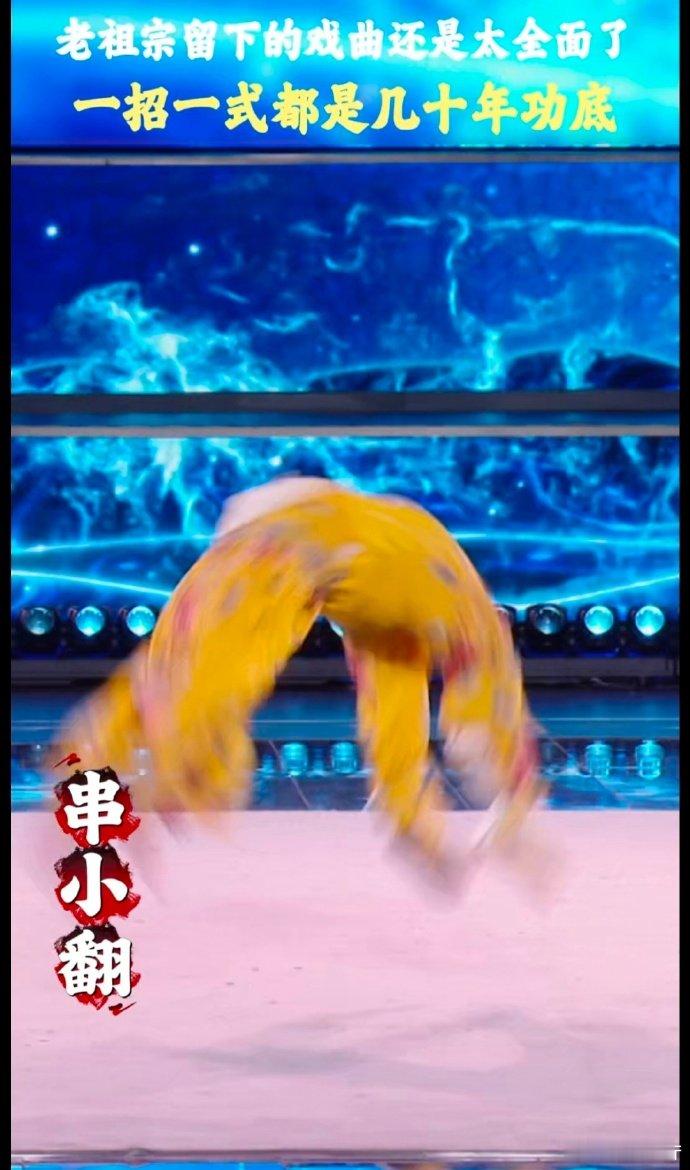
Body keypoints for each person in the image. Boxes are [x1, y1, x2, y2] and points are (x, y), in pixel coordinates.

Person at [57, 477, 546, 886]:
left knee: (403, 678)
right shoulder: (314, 547)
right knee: (210, 672)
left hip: (351, 552)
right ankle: (438, 817)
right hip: (339, 550)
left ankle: (432, 818)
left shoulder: (406, 594)